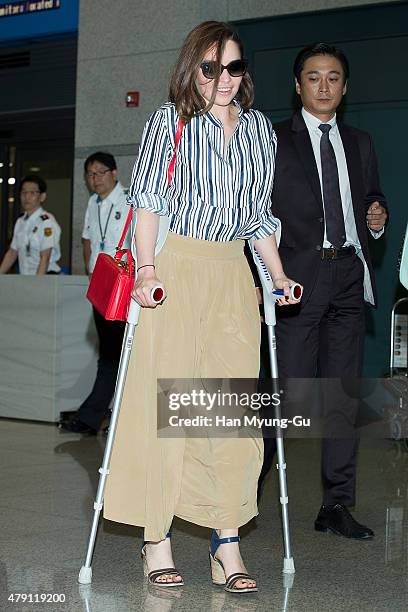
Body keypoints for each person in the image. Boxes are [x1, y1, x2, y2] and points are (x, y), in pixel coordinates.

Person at [102, 21, 300, 593]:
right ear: (192, 69)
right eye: (211, 68)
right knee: (163, 405)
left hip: (233, 274)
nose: (223, 80)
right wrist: (146, 269)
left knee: (230, 413)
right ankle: (156, 537)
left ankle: (227, 544)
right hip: (176, 270)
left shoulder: (261, 130)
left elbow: (259, 216)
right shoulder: (169, 123)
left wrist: (280, 275)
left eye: (234, 68)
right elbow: (148, 203)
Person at [259, 43, 387, 539]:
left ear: (345, 86)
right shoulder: (271, 139)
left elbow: (371, 197)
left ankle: (336, 504)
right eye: (314, 77)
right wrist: (263, 280)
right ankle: (246, 493)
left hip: (348, 278)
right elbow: (254, 214)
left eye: (334, 78)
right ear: (298, 85)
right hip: (294, 282)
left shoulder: (361, 141)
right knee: (284, 393)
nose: (324, 86)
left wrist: (377, 215)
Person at [61, 152, 129, 435]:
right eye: (90, 174)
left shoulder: (127, 200)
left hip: (121, 283)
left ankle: (93, 416)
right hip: (100, 283)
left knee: (116, 353)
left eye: (100, 172)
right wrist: (92, 274)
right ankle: (105, 413)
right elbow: (88, 238)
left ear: (114, 173)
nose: (95, 178)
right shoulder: (92, 202)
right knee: (111, 351)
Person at [0, 175, 61, 275]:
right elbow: (12, 253)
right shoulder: (20, 221)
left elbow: (45, 257)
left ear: (42, 197)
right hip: (26, 277)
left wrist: (36, 284)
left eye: (32, 193)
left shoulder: (46, 222)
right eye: (24, 192)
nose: (27, 197)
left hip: (45, 277)